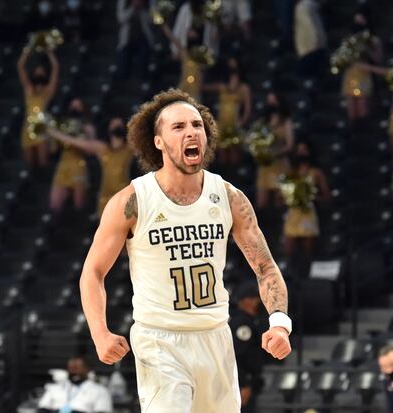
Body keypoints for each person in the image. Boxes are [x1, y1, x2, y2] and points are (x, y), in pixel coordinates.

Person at [79, 88, 292, 413]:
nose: (191, 131)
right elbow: (92, 272)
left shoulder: (229, 197)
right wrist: (100, 333)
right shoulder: (132, 201)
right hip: (160, 339)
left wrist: (279, 322)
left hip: (215, 336)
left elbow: (265, 267)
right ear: (158, 141)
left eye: (197, 125)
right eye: (178, 127)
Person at [47, 117, 134, 216]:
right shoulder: (101, 147)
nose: (117, 126)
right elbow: (77, 142)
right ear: (108, 128)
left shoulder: (129, 148)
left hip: (124, 193)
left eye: (119, 124)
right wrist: (55, 133)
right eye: (114, 124)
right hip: (105, 195)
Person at [283, 141, 330, 261]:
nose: (302, 153)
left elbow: (327, 196)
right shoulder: (291, 173)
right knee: (289, 248)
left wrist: (312, 197)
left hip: (309, 212)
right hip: (293, 212)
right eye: (299, 150)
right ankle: (290, 273)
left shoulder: (316, 172)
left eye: (305, 150)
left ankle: (307, 272)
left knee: (308, 249)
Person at [49, 97, 93, 213]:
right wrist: (52, 137)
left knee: (79, 206)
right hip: (63, 165)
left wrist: (72, 138)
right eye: (73, 106)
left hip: (79, 166)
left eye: (78, 106)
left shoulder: (88, 127)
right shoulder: (63, 125)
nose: (75, 108)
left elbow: (90, 150)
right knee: (54, 205)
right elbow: (53, 150)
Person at [204, 59, 252, 166]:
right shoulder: (222, 86)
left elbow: (248, 108)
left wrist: (242, 122)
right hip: (222, 123)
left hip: (234, 123)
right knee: (222, 154)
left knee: (234, 154)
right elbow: (205, 88)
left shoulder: (244, 88)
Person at [17, 47, 59, 168]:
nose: (39, 74)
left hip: (41, 125)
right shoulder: (29, 90)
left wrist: (49, 52)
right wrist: (26, 51)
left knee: (43, 161)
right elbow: (20, 66)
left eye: (42, 73)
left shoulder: (47, 91)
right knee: (29, 161)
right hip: (27, 126)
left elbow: (55, 68)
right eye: (37, 72)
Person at [229, 282, 265, 413]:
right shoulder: (243, 323)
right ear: (246, 300)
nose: (258, 301)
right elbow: (236, 355)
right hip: (241, 382)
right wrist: (243, 383)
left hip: (248, 381)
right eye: (254, 298)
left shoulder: (249, 320)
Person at [341, 12, 383, 123]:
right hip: (351, 74)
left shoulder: (373, 40)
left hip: (364, 75)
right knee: (351, 110)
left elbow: (378, 58)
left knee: (363, 109)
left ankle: (363, 132)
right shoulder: (348, 40)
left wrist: (367, 49)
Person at [255, 92, 294, 209]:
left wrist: (274, 153)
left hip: (280, 164)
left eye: (274, 101)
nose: (271, 104)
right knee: (262, 202)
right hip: (265, 166)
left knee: (280, 202)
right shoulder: (263, 122)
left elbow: (290, 145)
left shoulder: (286, 122)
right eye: (269, 101)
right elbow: (255, 139)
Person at [37, 356, 113, 413]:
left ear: (87, 369)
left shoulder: (100, 391)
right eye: (71, 368)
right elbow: (42, 409)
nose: (73, 371)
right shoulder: (55, 388)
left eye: (77, 368)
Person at [161, 23, 207, 102]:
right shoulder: (185, 53)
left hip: (194, 92)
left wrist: (200, 86)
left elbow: (201, 74)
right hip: (183, 89)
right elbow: (174, 40)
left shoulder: (201, 55)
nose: (189, 34)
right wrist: (164, 26)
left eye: (191, 32)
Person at [116, 0, 154, 80]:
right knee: (123, 69)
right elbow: (121, 18)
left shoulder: (150, 2)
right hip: (127, 39)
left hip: (144, 39)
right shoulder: (123, 1)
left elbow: (153, 19)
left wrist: (141, 7)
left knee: (143, 68)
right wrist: (133, 7)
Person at [294, 0, 328, 79]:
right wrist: (317, 41)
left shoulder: (309, 7)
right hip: (311, 47)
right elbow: (310, 27)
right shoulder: (305, 7)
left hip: (310, 47)